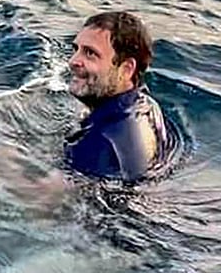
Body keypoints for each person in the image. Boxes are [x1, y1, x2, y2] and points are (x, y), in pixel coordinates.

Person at [62, 11, 169, 182]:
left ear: (126, 69)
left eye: (90, 53)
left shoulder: (97, 145)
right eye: (76, 49)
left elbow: (58, 194)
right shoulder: (147, 106)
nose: (73, 61)